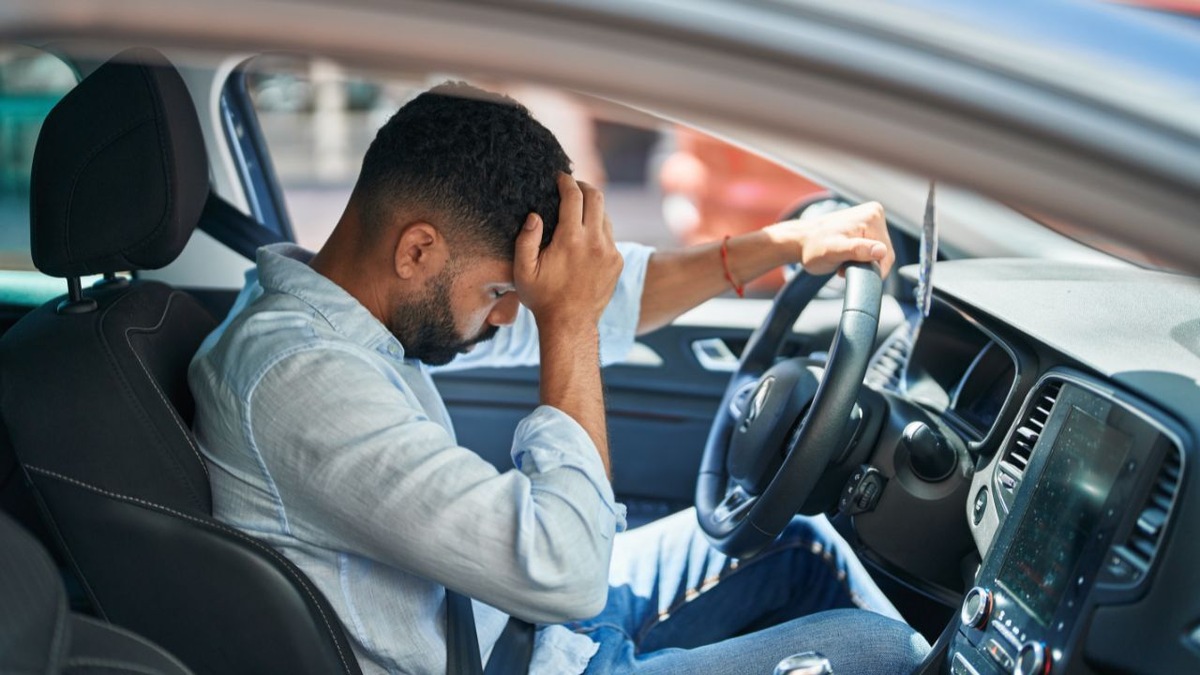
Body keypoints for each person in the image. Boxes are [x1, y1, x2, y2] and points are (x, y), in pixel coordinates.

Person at [189, 82, 929, 675]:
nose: (510, 321)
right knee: (883, 654)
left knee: (802, 540)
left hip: (519, 616)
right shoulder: (301, 380)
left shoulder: (360, 312)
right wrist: (564, 321)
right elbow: (564, 569)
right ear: (417, 249)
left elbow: (613, 300)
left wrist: (784, 244)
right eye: (498, 295)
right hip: (520, 642)